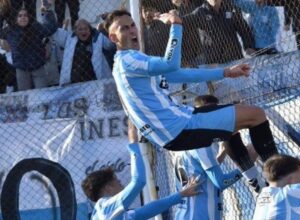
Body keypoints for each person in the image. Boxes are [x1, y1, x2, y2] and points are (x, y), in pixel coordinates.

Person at [104, 10, 278, 163]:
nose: (132, 30)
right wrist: (176, 24)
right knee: (256, 114)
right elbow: (171, 64)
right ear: (113, 38)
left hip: (177, 128)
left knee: (234, 126)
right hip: (180, 127)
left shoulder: (129, 62)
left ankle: (256, 180)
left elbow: (180, 74)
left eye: (132, 25)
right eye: (124, 29)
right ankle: (280, 182)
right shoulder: (128, 60)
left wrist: (225, 72)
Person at [82, 122, 201, 220]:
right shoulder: (104, 207)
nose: (121, 184)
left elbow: (148, 210)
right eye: (117, 181)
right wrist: (133, 144)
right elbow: (138, 181)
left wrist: (181, 194)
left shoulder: (114, 213)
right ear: (108, 188)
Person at [0, 2, 57, 91]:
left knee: (42, 94)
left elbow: (51, 28)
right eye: (20, 16)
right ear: (16, 19)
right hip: (21, 69)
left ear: (29, 17)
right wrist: (1, 15)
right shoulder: (10, 31)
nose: (23, 17)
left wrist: (47, 11)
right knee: (25, 95)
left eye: (25, 15)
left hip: (38, 67)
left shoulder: (36, 27)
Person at [182, 0, 256, 64]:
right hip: (214, 63)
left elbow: (244, 29)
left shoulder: (231, 8)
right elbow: (183, 22)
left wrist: (249, 46)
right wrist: (172, 16)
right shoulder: (199, 13)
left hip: (235, 59)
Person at [52, 19, 116, 85]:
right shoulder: (69, 38)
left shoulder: (98, 38)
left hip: (94, 80)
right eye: (80, 29)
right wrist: (47, 13)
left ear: (90, 30)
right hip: (73, 81)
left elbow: (110, 45)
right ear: (75, 31)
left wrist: (107, 26)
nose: (83, 31)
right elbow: (54, 32)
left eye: (86, 29)